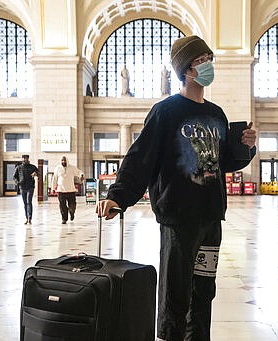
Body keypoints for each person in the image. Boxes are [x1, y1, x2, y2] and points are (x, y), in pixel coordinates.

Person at [96, 35, 257, 341]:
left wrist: (246, 148)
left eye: (210, 58)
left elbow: (222, 162)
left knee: (204, 289)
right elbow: (141, 158)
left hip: (211, 217)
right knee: (176, 292)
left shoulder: (217, 114)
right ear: (187, 69)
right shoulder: (166, 111)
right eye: (201, 60)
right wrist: (118, 196)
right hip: (179, 217)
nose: (208, 65)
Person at [52, 156, 85, 224]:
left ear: (67, 161)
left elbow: (79, 172)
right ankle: (64, 219)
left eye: (64, 160)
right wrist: (53, 188)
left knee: (72, 205)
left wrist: (81, 175)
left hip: (71, 190)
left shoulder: (72, 167)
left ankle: (72, 213)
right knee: (62, 206)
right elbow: (54, 179)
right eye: (62, 160)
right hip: (61, 191)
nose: (63, 162)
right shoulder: (57, 168)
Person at [13, 155, 39, 225]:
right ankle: (26, 218)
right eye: (24, 158)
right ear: (22, 159)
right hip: (22, 187)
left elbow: (38, 172)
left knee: (29, 202)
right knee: (25, 203)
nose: (25, 159)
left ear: (28, 159)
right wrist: (16, 182)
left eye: (26, 158)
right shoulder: (19, 167)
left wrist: (35, 173)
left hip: (30, 187)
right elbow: (14, 176)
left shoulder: (32, 167)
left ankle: (29, 218)